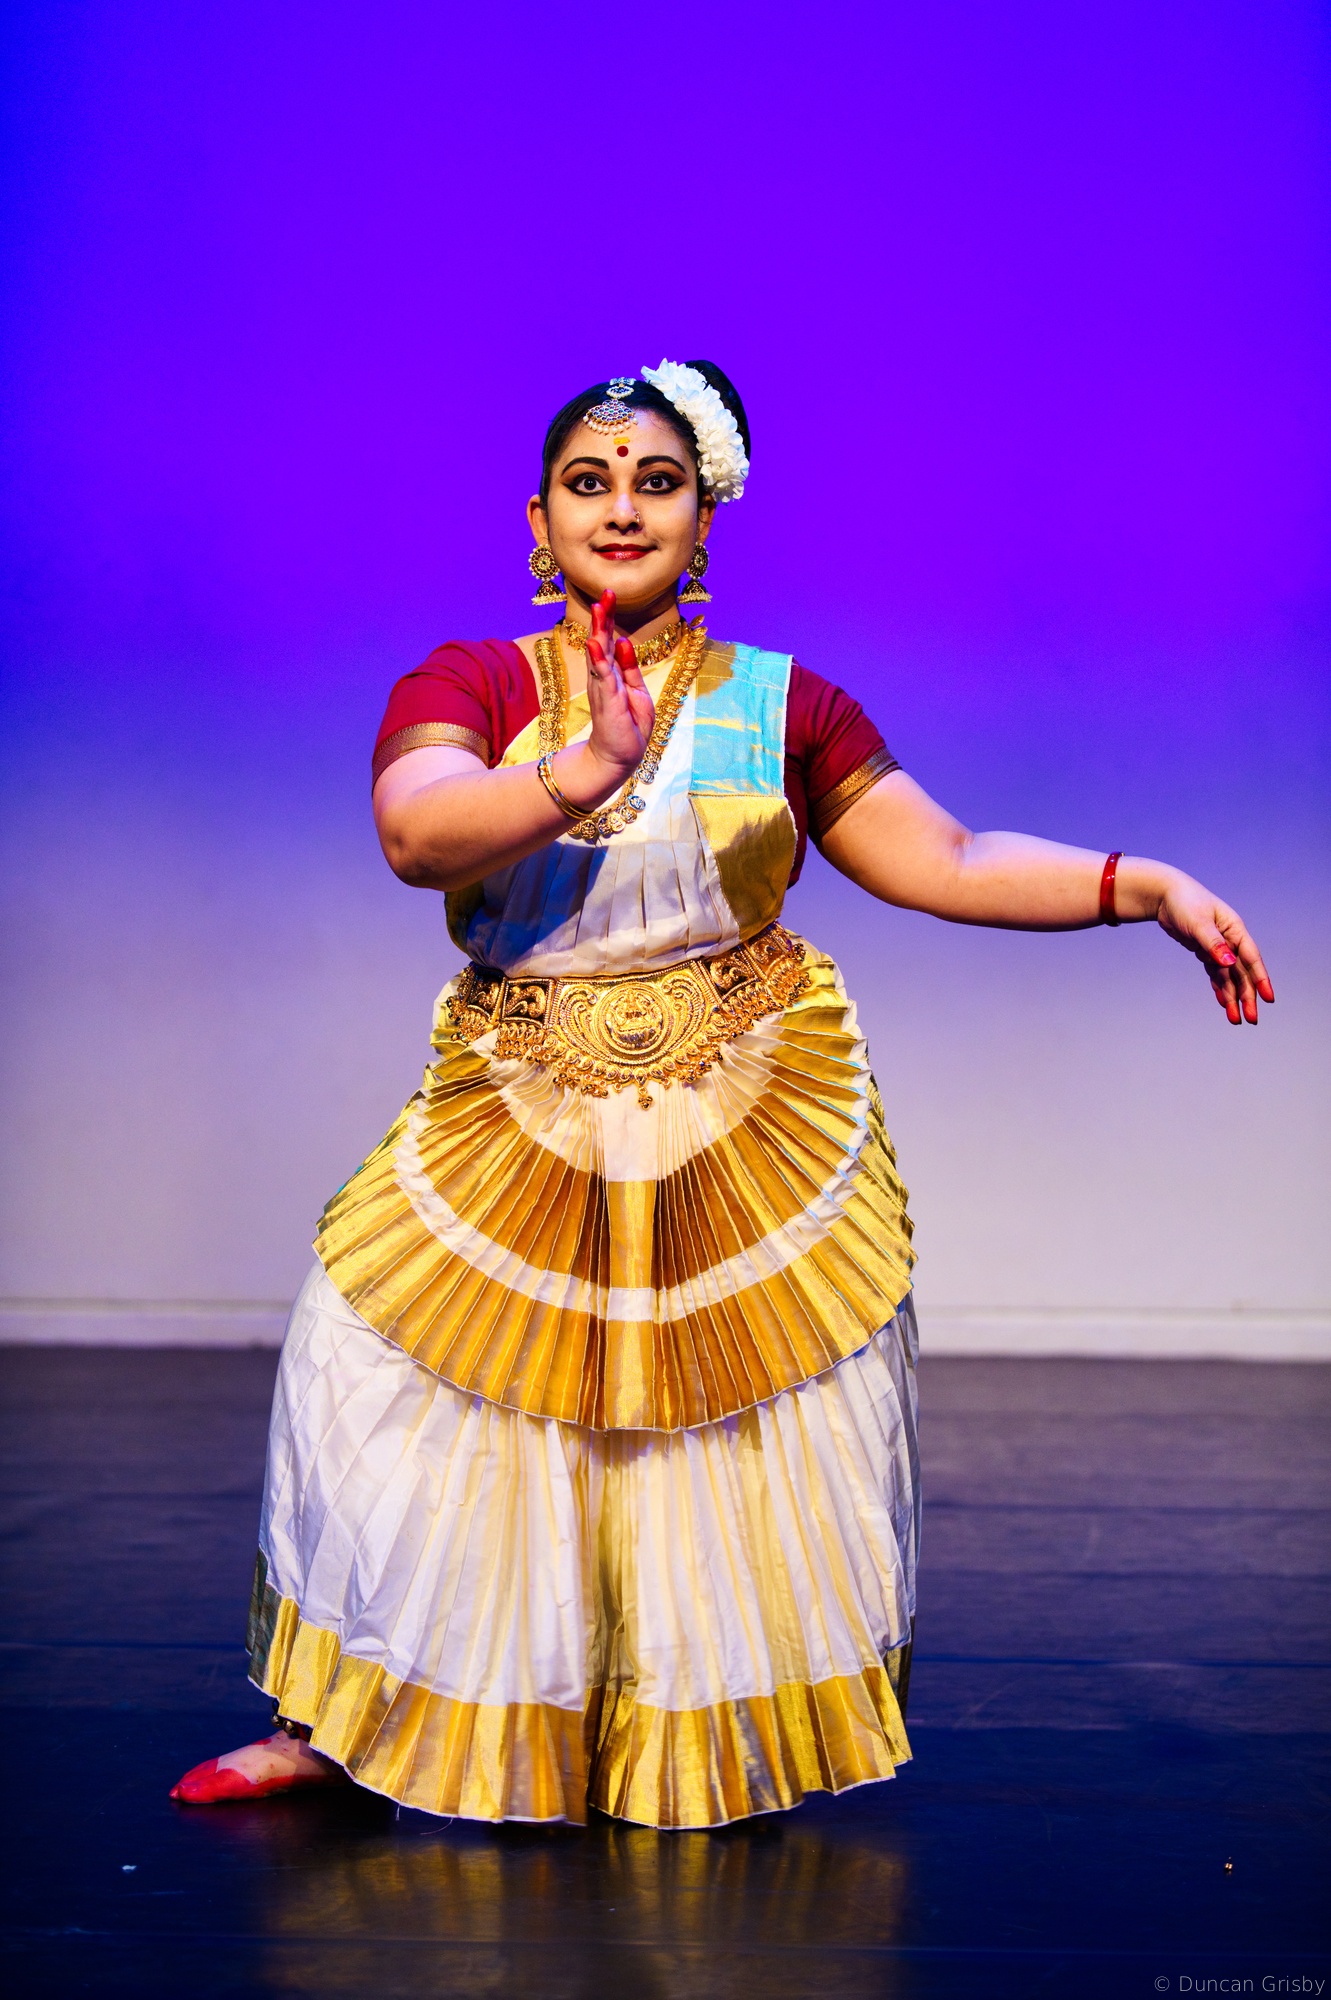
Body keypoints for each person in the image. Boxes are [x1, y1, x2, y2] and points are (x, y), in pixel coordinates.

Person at [172, 361, 1272, 1827]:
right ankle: (346, 1722)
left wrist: (1147, 886)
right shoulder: (472, 681)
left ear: (705, 517)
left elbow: (944, 858)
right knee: (397, 1382)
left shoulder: (783, 703)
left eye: (658, 482)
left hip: (729, 1108)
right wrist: (585, 766)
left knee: (705, 1437)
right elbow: (418, 835)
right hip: (522, 1095)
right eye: (589, 482)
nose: (622, 508)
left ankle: (672, 1743)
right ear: (539, 519)